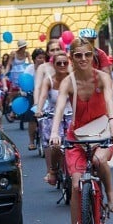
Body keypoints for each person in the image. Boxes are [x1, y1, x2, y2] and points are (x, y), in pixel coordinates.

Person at [48, 37, 113, 224]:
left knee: (100, 161)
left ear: (94, 57)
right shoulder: (68, 82)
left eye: (87, 54)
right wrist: (54, 132)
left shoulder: (102, 78)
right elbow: (60, 109)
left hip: (102, 132)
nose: (83, 59)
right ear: (71, 58)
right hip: (78, 136)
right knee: (75, 184)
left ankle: (110, 192)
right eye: (78, 55)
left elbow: (110, 103)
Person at [34, 49, 72, 185]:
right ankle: (52, 171)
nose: (62, 65)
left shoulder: (72, 78)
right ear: (54, 65)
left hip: (70, 114)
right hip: (52, 114)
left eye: (65, 63)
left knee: (75, 144)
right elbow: (43, 96)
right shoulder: (49, 80)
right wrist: (39, 109)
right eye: (59, 63)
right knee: (54, 145)